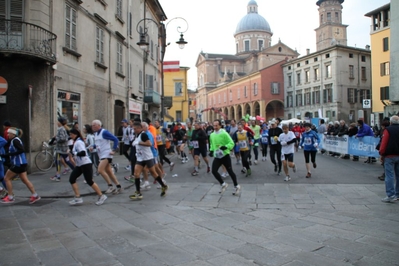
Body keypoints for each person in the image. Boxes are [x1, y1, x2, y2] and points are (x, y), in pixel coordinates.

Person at [129, 122, 168, 200]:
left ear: (139, 128)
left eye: (135, 129)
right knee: (136, 174)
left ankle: (163, 186)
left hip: (148, 157)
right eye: (133, 129)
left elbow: (149, 144)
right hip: (140, 158)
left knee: (153, 173)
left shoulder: (144, 135)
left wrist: (139, 142)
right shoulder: (137, 135)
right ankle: (138, 192)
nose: (134, 130)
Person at [1, 127, 41, 204]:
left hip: (18, 163)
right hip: (22, 163)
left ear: (13, 134)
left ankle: (10, 197)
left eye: (9, 133)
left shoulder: (15, 141)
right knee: (25, 180)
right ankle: (35, 195)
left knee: (6, 178)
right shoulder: (15, 140)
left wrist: (8, 154)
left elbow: (21, 150)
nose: (7, 134)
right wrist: (6, 155)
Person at [68, 129, 107, 205]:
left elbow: (83, 152)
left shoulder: (79, 142)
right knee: (72, 179)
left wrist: (74, 153)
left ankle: (101, 195)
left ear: (75, 134)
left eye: (71, 134)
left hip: (85, 164)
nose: (70, 136)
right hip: (80, 165)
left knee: (89, 181)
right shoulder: (76, 142)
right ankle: (78, 197)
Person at [209, 119, 241, 195]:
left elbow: (231, 143)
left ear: (220, 125)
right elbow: (212, 144)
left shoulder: (224, 133)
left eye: (217, 125)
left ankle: (236, 186)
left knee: (230, 171)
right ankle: (223, 184)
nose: (215, 127)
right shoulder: (212, 135)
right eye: (214, 125)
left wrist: (226, 147)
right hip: (217, 156)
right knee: (213, 171)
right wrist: (211, 150)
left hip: (225, 155)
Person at [91, 119, 122, 194]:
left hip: (107, 154)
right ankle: (118, 186)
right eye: (92, 125)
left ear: (99, 125)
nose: (92, 127)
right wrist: (93, 146)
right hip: (101, 154)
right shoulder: (96, 134)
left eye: (94, 125)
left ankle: (110, 186)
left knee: (100, 170)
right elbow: (99, 143)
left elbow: (115, 139)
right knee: (109, 171)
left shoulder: (104, 132)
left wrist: (114, 149)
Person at [379, 115, 399, 203]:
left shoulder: (388, 130)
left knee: (389, 175)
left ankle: (390, 195)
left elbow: (384, 142)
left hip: (389, 155)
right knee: (398, 175)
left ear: (390, 122)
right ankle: (398, 194)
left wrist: (381, 153)